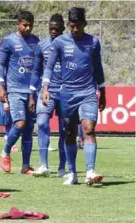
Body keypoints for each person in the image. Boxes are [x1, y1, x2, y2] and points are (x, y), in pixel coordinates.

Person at [41, 7, 105, 185]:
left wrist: (103, 91)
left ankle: (90, 171)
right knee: (69, 132)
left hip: (88, 93)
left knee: (89, 129)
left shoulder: (93, 42)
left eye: (78, 25)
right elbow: (49, 66)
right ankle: (73, 172)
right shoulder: (60, 42)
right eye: (72, 26)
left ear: (85, 24)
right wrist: (45, 87)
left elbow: (98, 68)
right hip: (67, 94)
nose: (75, 29)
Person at [0, 10, 39, 175]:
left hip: (31, 91)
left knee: (28, 129)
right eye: (25, 25)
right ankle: (5, 152)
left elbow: (37, 67)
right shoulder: (8, 41)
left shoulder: (35, 42)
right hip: (14, 90)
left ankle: (25, 166)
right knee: (19, 123)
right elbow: (1, 65)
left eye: (30, 25)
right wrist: (0, 85)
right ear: (18, 24)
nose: (28, 28)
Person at [31, 14, 67, 178]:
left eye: (57, 29)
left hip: (67, 92)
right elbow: (37, 70)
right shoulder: (41, 46)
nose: (53, 32)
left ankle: (62, 166)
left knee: (65, 130)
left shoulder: (70, 44)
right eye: (51, 29)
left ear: (63, 29)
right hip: (47, 92)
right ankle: (44, 165)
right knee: (43, 123)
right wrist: (32, 93)